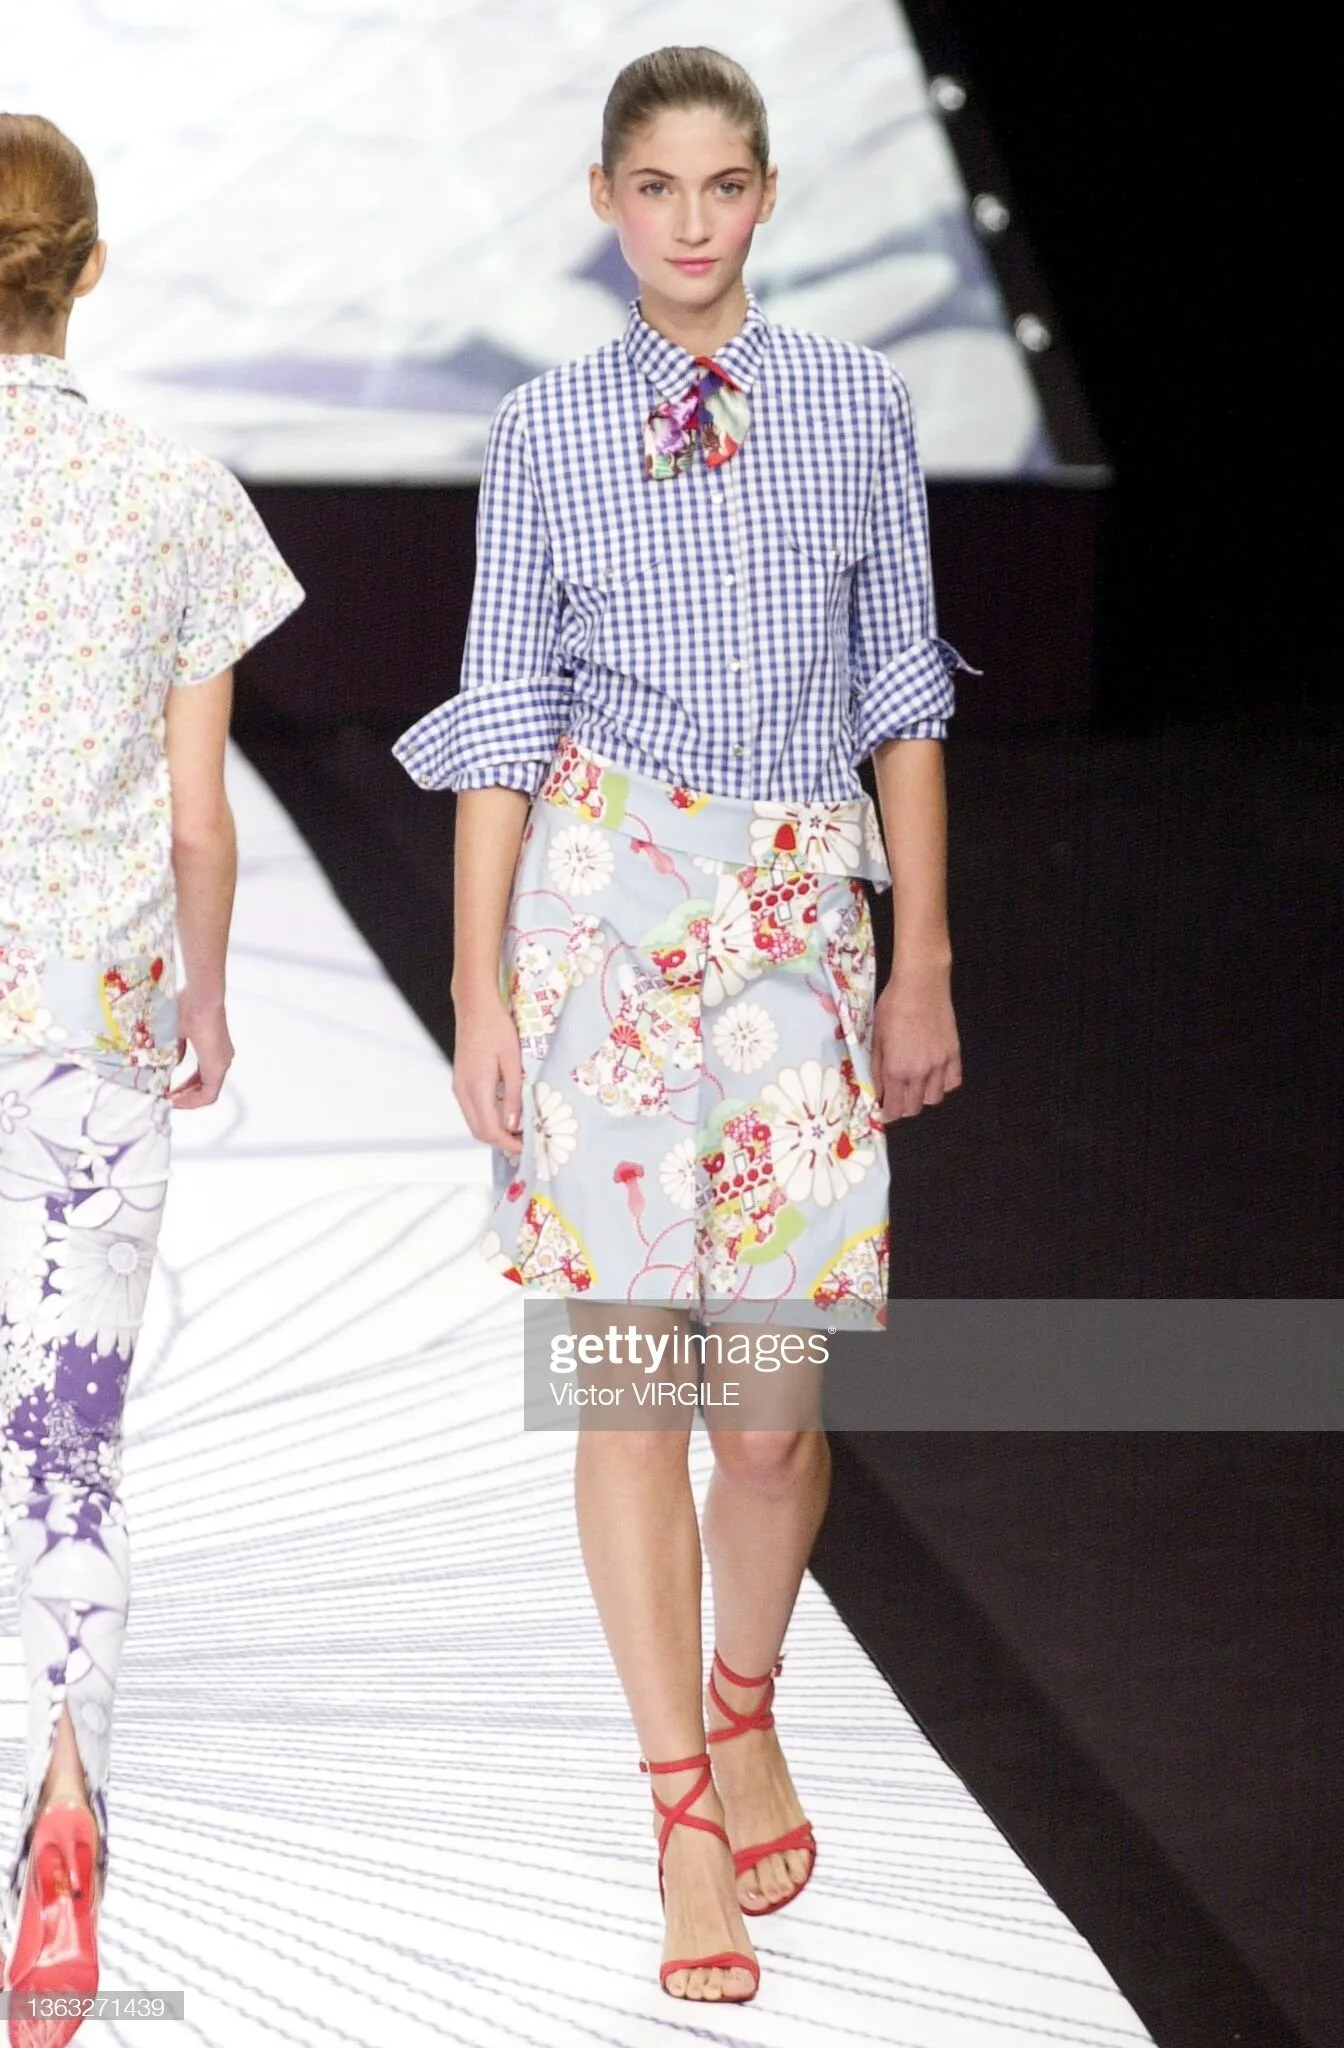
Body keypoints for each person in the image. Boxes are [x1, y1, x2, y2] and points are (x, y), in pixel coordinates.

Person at [395, 47, 967, 2005]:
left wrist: (923, 958)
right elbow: (501, 712)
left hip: (799, 914)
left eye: (725, 184)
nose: (693, 220)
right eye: (658, 186)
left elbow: (904, 692)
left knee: (774, 1411)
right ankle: (683, 1815)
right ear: (605, 199)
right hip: (604, 913)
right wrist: (476, 986)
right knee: (630, 1380)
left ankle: (747, 1696)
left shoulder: (859, 402)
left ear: (770, 194)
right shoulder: (545, 427)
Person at [0, 114, 303, 2045]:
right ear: (90, 269)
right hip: (91, 1018)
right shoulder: (176, 492)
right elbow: (201, 820)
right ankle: (58, 1822)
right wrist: (205, 999)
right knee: (64, 1439)